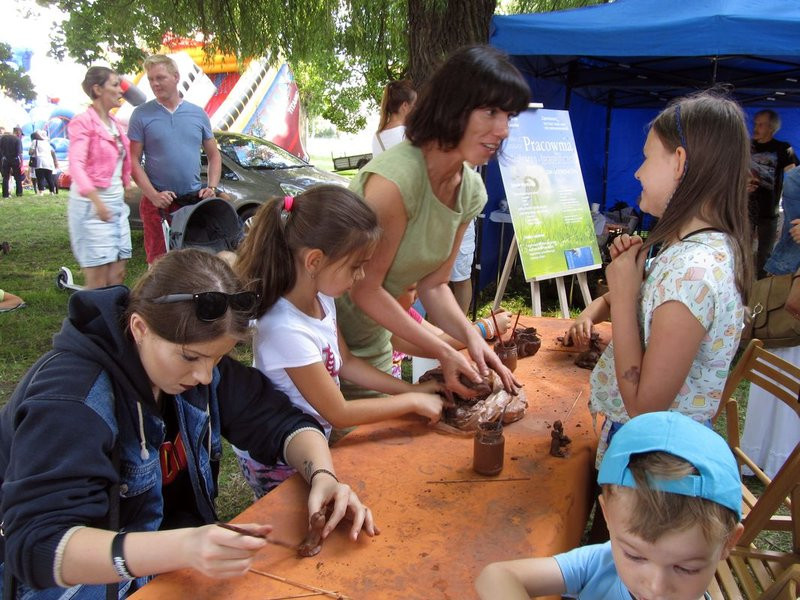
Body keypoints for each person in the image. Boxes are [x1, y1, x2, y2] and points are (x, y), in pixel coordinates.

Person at [0, 249, 376, 599]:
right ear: (139, 328)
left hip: (163, 565)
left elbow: (282, 421)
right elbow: (38, 548)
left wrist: (323, 476)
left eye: (216, 359)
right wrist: (182, 547)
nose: (204, 376)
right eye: (191, 358)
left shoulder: (198, 364)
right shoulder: (72, 399)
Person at [567, 91, 752, 467]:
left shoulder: (692, 271)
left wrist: (622, 294)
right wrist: (634, 282)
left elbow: (645, 406)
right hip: (661, 451)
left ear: (679, 162)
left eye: (648, 157)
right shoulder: (701, 249)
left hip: (655, 462)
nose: (637, 172)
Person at [336, 44, 529, 399]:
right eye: (490, 112)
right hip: (322, 344)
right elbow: (365, 287)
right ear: (451, 106)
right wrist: (444, 349)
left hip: (374, 339)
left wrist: (471, 336)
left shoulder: (470, 190)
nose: (503, 130)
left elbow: (435, 286)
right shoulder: (395, 184)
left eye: (509, 117)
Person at [232, 186, 443, 497]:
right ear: (315, 260)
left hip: (308, 441)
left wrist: (411, 389)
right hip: (277, 457)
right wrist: (412, 401)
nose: (360, 277)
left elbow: (347, 362)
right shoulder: (284, 329)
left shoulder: (320, 297)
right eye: (355, 266)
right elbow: (339, 412)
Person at [476, 411, 743, 599]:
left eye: (686, 568)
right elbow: (496, 576)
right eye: (635, 556)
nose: (656, 587)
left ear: (728, 543)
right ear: (607, 515)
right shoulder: (600, 565)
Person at [128, 54, 221, 265]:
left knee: (193, 263)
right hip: (158, 204)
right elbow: (133, 161)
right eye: (151, 79)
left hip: (192, 201)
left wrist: (212, 187)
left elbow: (214, 155)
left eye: (160, 77)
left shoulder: (198, 114)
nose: (155, 83)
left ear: (176, 77)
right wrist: (153, 195)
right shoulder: (141, 115)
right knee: (159, 265)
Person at [740, 166, 800, 478]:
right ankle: (763, 455)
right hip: (786, 280)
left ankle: (782, 460)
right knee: (776, 370)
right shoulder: (795, 177)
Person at [67, 66, 133, 289]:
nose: (120, 90)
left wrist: (126, 183)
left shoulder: (116, 125)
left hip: (116, 206)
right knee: (98, 281)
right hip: (92, 207)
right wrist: (97, 202)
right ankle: (90, 323)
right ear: (97, 89)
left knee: (117, 276)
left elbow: (120, 163)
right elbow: (76, 165)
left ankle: (110, 321)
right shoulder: (83, 122)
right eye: (114, 85)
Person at [748, 109, 798, 277]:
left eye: (761, 124)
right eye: (755, 124)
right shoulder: (746, 146)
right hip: (744, 210)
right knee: (740, 251)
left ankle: (761, 296)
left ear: (771, 127)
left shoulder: (783, 149)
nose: (756, 128)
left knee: (765, 255)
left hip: (769, 211)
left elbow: (793, 175)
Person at [371, 79, 416, 157]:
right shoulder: (407, 134)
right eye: (414, 104)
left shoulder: (377, 136)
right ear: (405, 105)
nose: (415, 108)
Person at [29, 130, 59, 195]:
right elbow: (52, 152)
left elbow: (31, 152)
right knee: (49, 177)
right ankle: (51, 192)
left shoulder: (35, 141)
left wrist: (31, 151)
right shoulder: (46, 142)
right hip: (49, 161)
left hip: (40, 161)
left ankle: (41, 192)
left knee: (40, 177)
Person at [0, 126, 23, 198]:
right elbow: (19, 152)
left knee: (5, 177)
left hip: (5, 159)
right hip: (15, 159)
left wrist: (3, 155)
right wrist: (20, 160)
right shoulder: (17, 139)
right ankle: (19, 193)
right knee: (18, 177)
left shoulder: (2, 138)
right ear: (17, 132)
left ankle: (5, 194)